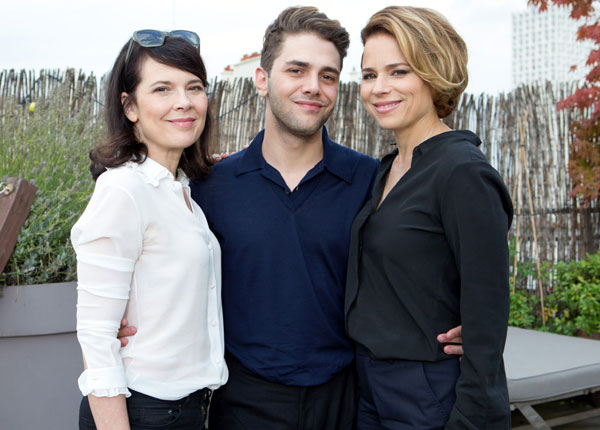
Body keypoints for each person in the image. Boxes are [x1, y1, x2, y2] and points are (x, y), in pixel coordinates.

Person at [118, 7, 464, 429]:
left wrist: (463, 321)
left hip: (347, 398)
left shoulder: (371, 182)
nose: (312, 87)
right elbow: (158, 259)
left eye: (328, 76)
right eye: (296, 70)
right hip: (242, 401)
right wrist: (127, 312)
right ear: (262, 80)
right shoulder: (210, 186)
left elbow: (425, 253)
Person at [345, 6, 512, 429]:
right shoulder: (387, 169)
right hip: (369, 383)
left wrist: (471, 417)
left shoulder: (461, 172)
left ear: (433, 73)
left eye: (398, 72)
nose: (379, 88)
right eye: (369, 75)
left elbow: (487, 310)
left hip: (428, 390)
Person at [71, 30, 227, 430]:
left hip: (190, 408)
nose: (184, 102)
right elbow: (96, 338)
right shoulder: (123, 190)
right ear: (130, 107)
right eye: (162, 89)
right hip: (144, 411)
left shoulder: (181, 190)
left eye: (195, 87)